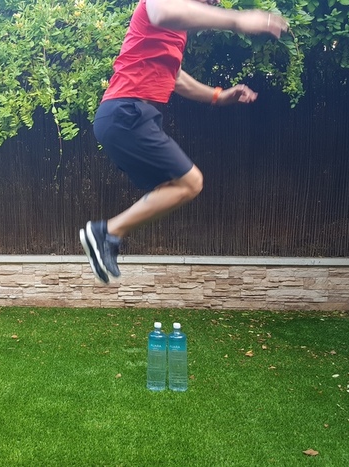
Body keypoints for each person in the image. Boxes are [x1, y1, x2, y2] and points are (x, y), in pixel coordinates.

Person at [79, 0, 288, 283]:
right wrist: (237, 20)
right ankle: (107, 232)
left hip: (128, 115)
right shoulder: (162, 7)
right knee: (190, 182)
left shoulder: (174, 31)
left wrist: (218, 96)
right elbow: (163, 11)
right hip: (126, 112)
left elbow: (175, 77)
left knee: (179, 186)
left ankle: (108, 235)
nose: (213, 3)